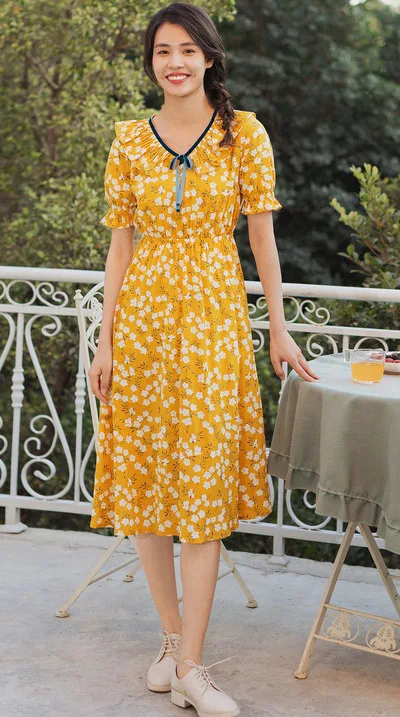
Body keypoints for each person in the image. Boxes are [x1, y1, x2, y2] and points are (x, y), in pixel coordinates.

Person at [88, 3, 320, 716]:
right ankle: (169, 640)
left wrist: (278, 328)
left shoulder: (243, 133)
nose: (176, 62)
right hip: (143, 330)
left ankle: (192, 665)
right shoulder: (130, 141)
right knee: (147, 488)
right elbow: (120, 247)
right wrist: (104, 338)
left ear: (210, 57)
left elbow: (263, 240)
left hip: (214, 327)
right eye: (163, 51)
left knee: (203, 490)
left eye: (188, 49)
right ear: (151, 63)